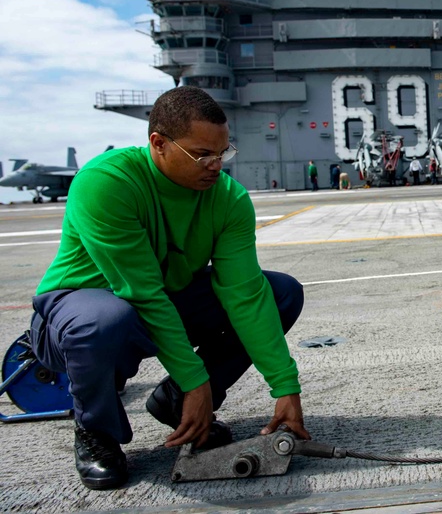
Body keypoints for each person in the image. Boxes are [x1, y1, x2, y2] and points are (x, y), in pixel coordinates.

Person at [28, 87, 310, 490]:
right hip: (83, 308)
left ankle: (178, 404)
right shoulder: (106, 182)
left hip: (163, 300)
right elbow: (140, 291)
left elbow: (244, 294)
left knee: (280, 292)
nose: (216, 166)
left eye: (223, 152)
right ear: (158, 144)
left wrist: (285, 387)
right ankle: (97, 433)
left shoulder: (228, 199)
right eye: (202, 154)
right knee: (104, 319)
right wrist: (197, 380)